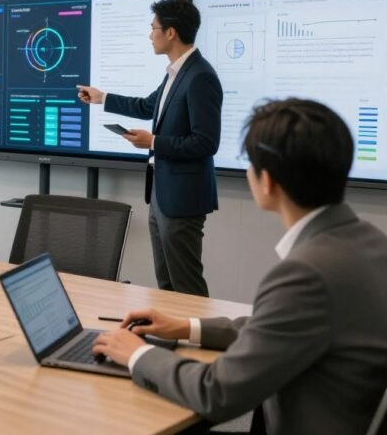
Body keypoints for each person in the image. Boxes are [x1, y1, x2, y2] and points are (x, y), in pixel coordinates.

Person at [92, 98, 387, 435]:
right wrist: (187, 327)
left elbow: (216, 392)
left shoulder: (307, 273)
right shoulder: (369, 244)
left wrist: (137, 355)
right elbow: (279, 326)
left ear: (268, 181)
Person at [77, 0, 222, 296]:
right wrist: (102, 97)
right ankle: (172, 338)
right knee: (166, 283)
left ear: (171, 33)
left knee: (186, 284)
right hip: (161, 192)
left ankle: (201, 338)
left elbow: (206, 142)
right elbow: (146, 106)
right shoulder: (176, 72)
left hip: (183, 198)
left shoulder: (200, 76)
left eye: (153, 28)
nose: (149, 35)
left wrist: (153, 142)